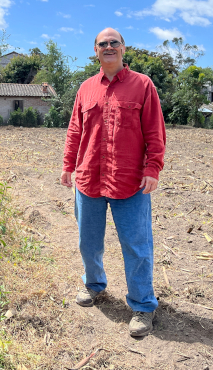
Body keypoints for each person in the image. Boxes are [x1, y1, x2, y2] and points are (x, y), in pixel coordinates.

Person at [60, 27, 166, 337]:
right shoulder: (86, 89)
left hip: (130, 182)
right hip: (89, 178)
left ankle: (143, 306)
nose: (109, 47)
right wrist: (68, 164)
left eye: (114, 43)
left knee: (136, 245)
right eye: (103, 43)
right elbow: (74, 131)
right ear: (95, 51)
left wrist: (153, 168)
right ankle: (94, 286)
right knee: (88, 242)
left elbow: (154, 132)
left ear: (123, 49)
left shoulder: (143, 86)